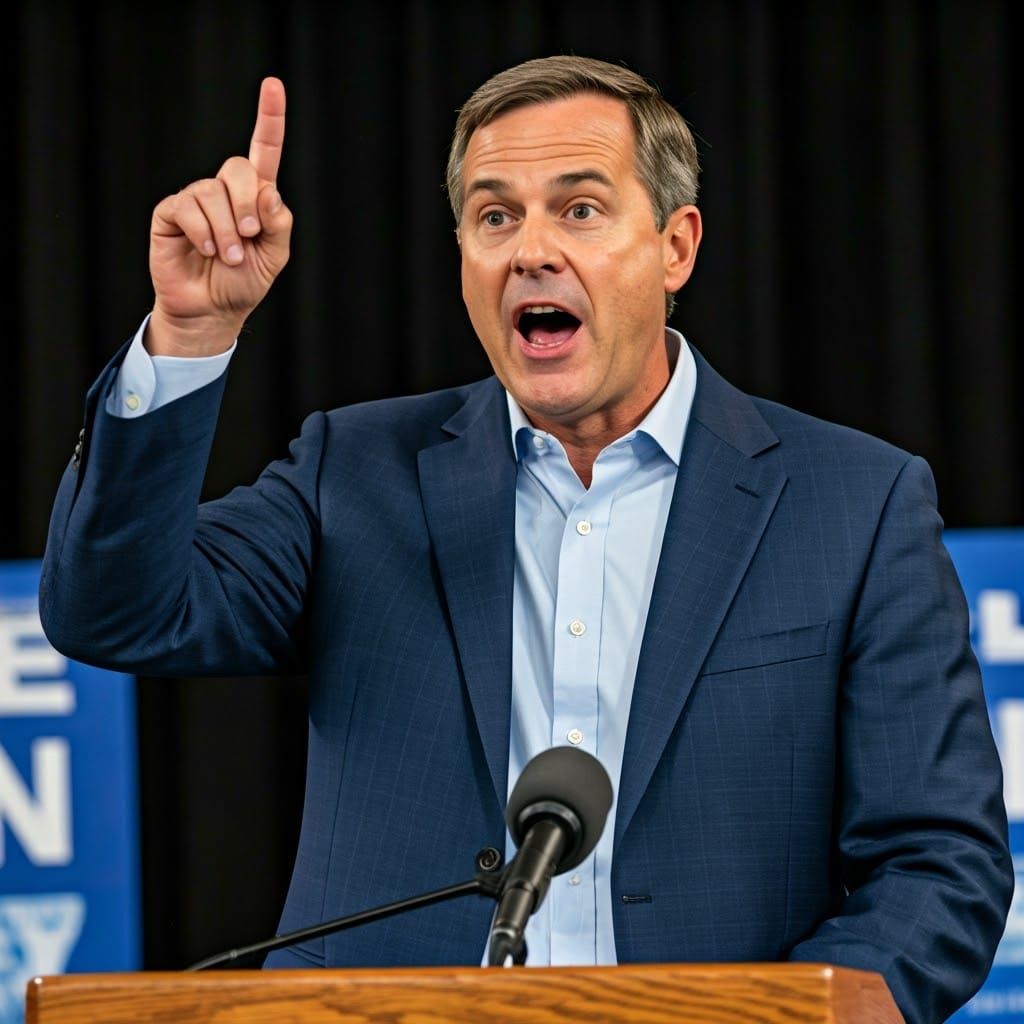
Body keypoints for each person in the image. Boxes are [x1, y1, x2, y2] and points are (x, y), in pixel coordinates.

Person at [39, 55, 1012, 1024]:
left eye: (579, 210)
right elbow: (113, 611)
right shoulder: (355, 473)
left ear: (675, 247)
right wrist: (189, 333)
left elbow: (938, 861)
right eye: (495, 216)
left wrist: (798, 1015)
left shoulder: (854, 502)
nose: (530, 250)